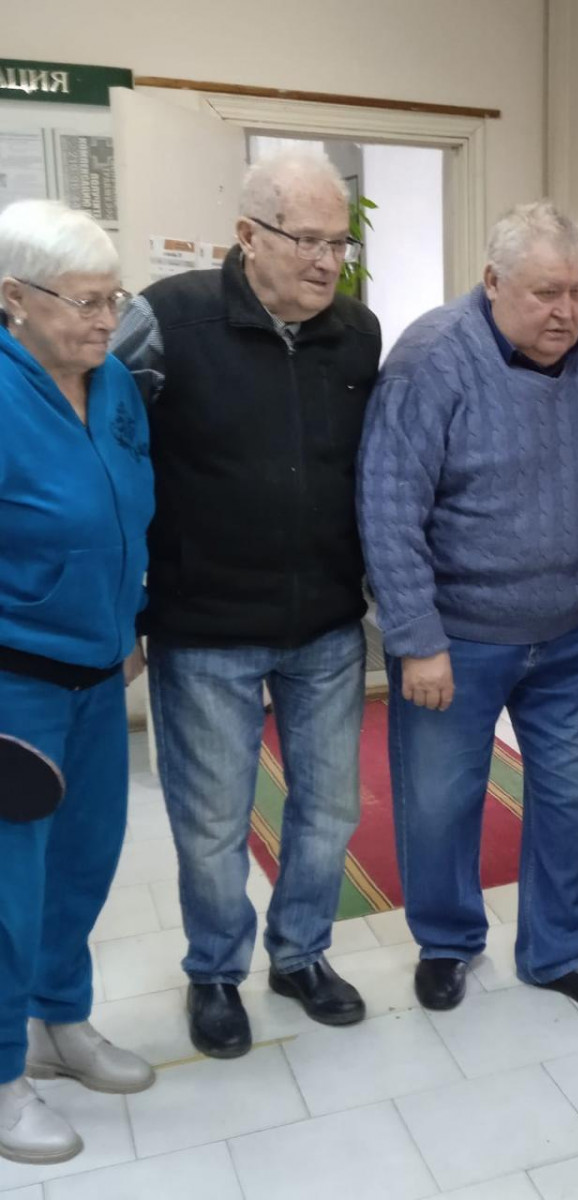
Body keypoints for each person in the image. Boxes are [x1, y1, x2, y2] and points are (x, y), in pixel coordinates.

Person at [111, 151, 381, 1059]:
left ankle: (300, 954)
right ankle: (215, 973)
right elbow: (108, 453)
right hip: (205, 624)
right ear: (247, 236)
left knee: (330, 808)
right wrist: (129, 603)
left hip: (326, 626)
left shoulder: (358, 332)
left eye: (337, 242)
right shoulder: (168, 320)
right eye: (306, 240)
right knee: (216, 817)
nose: (325, 261)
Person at [358, 201, 578, 1015]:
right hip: (460, 633)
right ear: (492, 283)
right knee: (442, 797)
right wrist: (415, 638)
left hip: (571, 629)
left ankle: (557, 949)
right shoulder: (433, 360)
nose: (566, 313)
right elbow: (387, 503)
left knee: (570, 790)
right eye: (546, 292)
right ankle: (448, 940)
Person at [0, 200, 155, 1164]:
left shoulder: (116, 387)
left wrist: (131, 619)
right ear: (13, 300)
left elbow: (132, 504)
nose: (106, 320)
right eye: (85, 302)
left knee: (87, 857)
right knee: (7, 885)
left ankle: (62, 1022)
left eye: (114, 299)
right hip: (14, 679)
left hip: (101, 668)